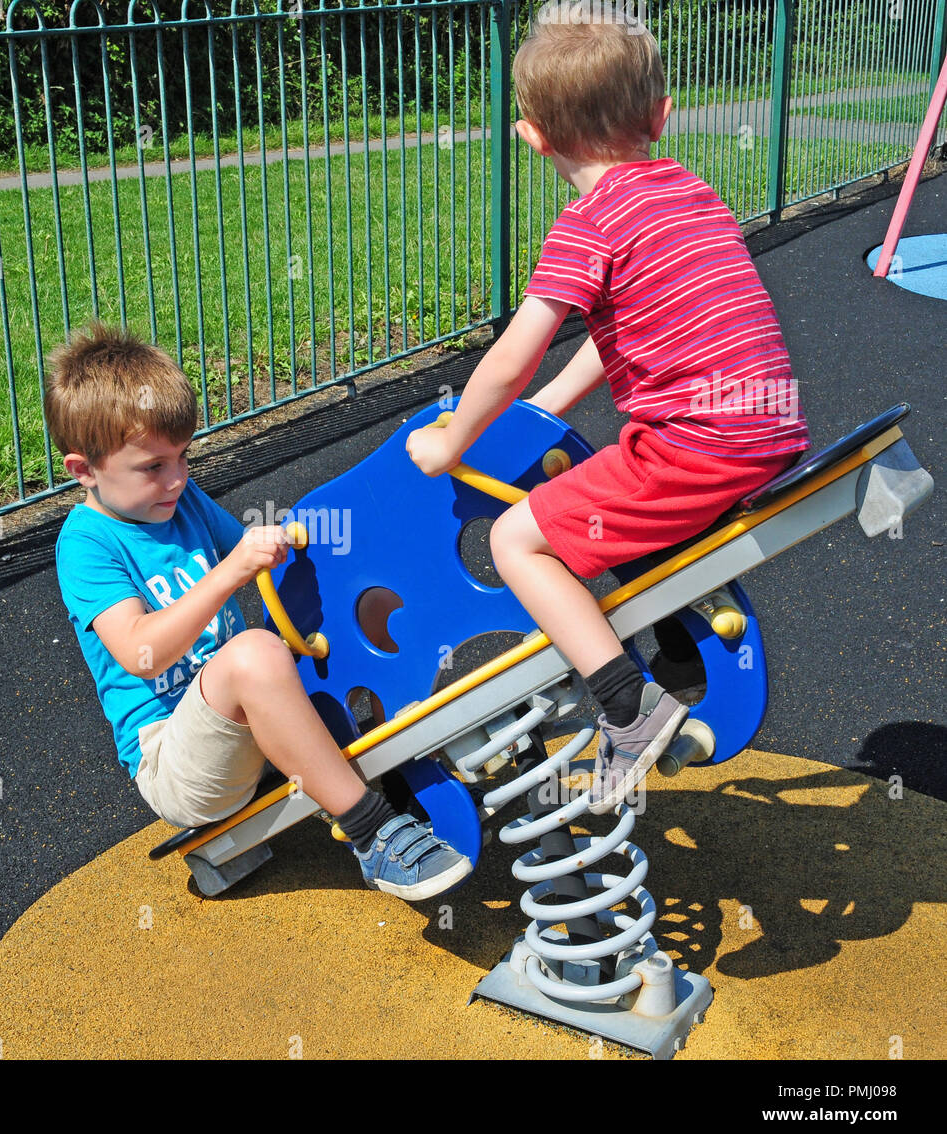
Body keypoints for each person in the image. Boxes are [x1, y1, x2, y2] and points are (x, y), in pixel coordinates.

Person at [406, 1, 809, 814]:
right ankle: (676, 641)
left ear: (533, 136)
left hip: (700, 445)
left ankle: (630, 704)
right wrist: (551, 405)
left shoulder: (586, 225)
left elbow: (512, 354)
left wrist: (453, 441)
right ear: (662, 115)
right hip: (769, 428)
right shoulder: (689, 190)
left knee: (522, 539)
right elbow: (630, 323)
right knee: (612, 474)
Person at [48, 321, 472, 900]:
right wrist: (229, 572)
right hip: (177, 762)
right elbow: (140, 653)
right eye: (153, 467)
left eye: (183, 457)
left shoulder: (181, 499)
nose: (177, 479)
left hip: (244, 725)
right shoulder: (87, 545)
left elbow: (265, 558)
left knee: (345, 602)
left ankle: (398, 733)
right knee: (253, 653)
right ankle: (373, 834)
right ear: (84, 471)